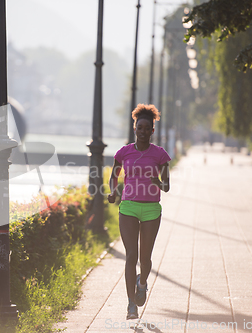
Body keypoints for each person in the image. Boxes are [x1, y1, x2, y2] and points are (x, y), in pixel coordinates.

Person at [108, 104, 171, 320]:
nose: (143, 131)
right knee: (131, 256)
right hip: (128, 207)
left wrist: (159, 182)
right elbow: (113, 176)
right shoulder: (123, 152)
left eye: (147, 128)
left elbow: (167, 187)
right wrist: (112, 193)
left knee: (145, 259)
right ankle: (131, 304)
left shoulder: (160, 155)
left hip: (152, 209)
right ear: (134, 128)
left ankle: (142, 283)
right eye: (140, 127)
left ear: (153, 131)